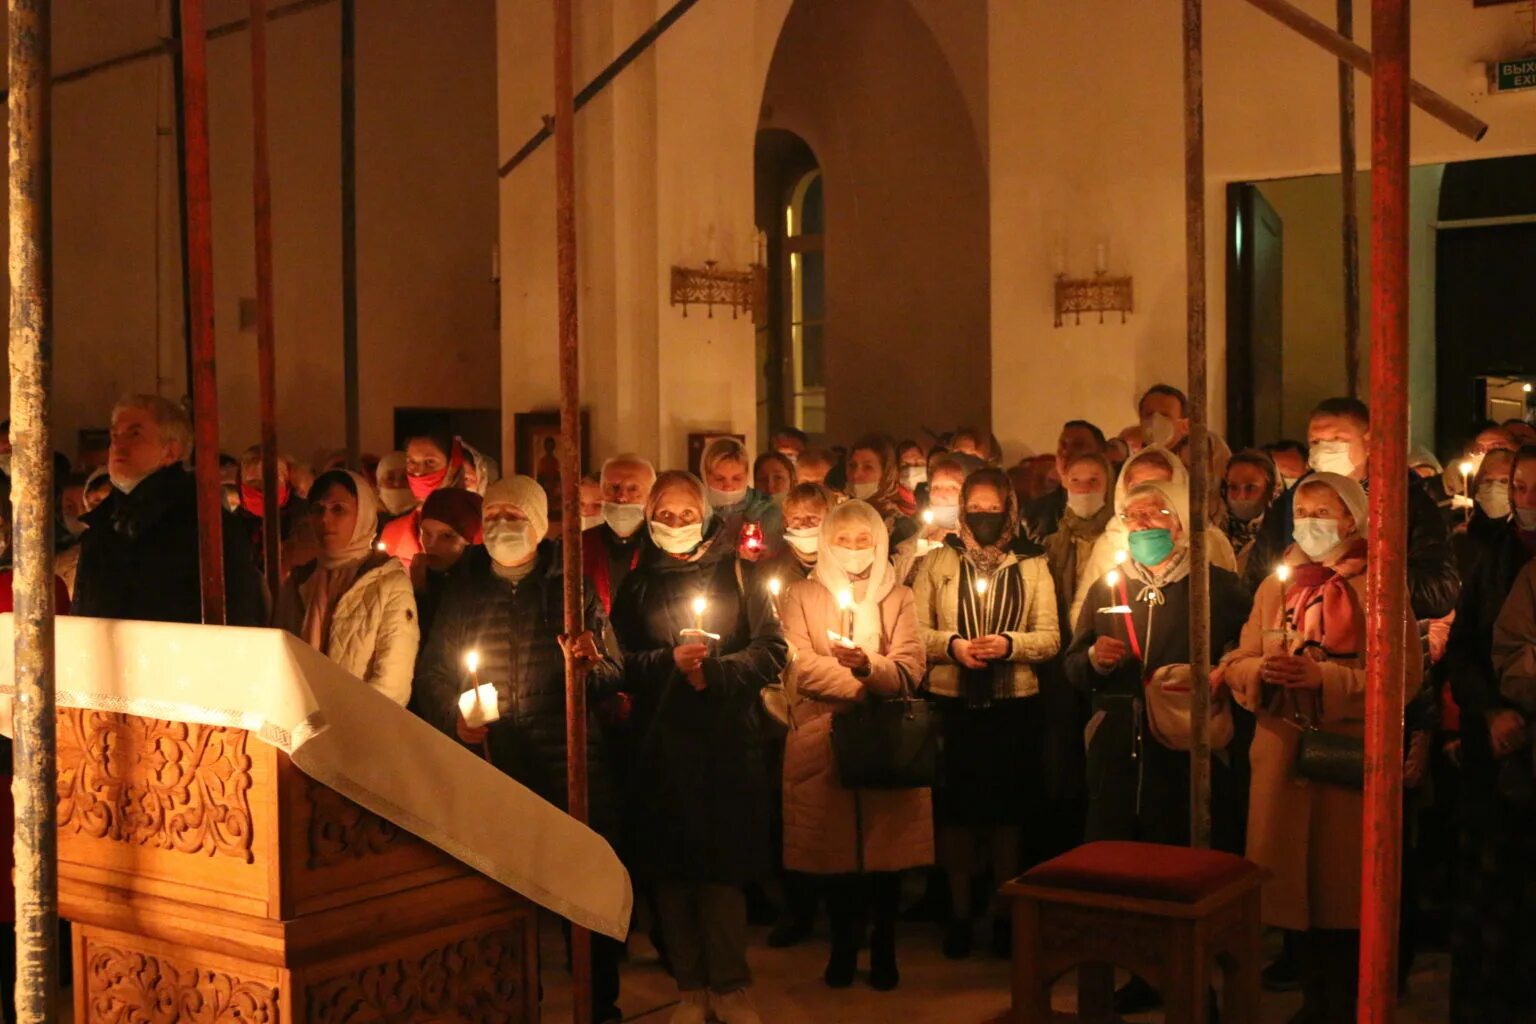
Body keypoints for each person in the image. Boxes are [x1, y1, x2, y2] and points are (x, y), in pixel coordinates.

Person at [412, 475, 625, 1022]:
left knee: (582, 889)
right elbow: (435, 673)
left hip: (566, 759)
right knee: (504, 895)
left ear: (537, 524)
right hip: (495, 761)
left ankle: (598, 1002)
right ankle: (514, 1002)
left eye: (516, 515)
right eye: (496, 514)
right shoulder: (465, 589)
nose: (504, 525)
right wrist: (455, 718)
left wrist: (588, 661)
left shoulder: (568, 586)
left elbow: (612, 673)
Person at [1223, 472, 1418, 1023]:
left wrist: (1323, 679)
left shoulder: (1378, 586)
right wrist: (1265, 669)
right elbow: (1237, 662)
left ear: (1351, 518)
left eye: (1322, 510)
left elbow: (1401, 677)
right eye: (1301, 510)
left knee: (1343, 894)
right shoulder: (1276, 585)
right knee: (1292, 892)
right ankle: (1311, 1000)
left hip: (1345, 760)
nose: (1309, 521)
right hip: (1283, 757)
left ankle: (1348, 1004)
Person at [1063, 476, 1252, 1014]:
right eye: (1134, 516)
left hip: (1185, 748)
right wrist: (1093, 662)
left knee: (1182, 862)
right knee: (1121, 866)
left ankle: (1196, 985)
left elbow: (1246, 655)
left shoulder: (1218, 588)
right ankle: (1139, 973)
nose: (1144, 525)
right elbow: (1073, 665)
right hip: (1120, 748)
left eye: (1155, 514)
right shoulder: (1107, 589)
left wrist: (1216, 674)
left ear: (1180, 522)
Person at [609, 471, 788, 1024]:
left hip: (726, 742)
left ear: (706, 515)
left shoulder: (741, 572)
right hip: (662, 744)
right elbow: (621, 661)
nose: (677, 523)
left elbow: (772, 650)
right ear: (649, 517)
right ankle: (688, 985)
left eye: (687, 513)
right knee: (672, 870)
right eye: (666, 514)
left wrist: (718, 671)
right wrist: (668, 663)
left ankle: (730, 984)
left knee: (721, 869)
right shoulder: (638, 583)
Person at [778, 499, 930, 991]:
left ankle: (884, 947)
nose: (852, 549)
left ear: (879, 542)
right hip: (824, 735)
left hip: (885, 738)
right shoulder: (801, 594)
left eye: (862, 540)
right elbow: (797, 664)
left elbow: (909, 665)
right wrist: (862, 682)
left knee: (886, 853)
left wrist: (869, 666)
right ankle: (842, 947)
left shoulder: (899, 596)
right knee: (835, 855)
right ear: (826, 542)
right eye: (842, 540)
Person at [912, 467, 1060, 960]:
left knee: (1005, 816)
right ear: (962, 510)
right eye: (976, 507)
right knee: (957, 815)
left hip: (1012, 703)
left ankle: (1002, 915)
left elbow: (1050, 638)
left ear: (1009, 509)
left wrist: (1010, 644)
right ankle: (958, 914)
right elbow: (915, 632)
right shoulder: (937, 562)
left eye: (994, 508)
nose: (985, 516)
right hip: (954, 702)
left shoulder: (1032, 563)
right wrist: (953, 646)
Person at [1445, 444, 1536, 1022]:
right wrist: (1490, 713)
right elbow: (1466, 651)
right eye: (1522, 488)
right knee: (1490, 891)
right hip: (1493, 742)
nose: (1527, 501)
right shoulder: (1490, 555)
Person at [1241, 397, 1459, 620]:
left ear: (1368, 443)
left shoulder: (1406, 504)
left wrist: (1363, 575)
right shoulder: (1287, 506)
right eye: (1316, 442)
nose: (1324, 451)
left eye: (1337, 440)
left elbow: (1439, 592)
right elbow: (1257, 584)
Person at [74, 395, 264, 625]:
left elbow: (238, 619)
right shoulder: (104, 524)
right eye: (115, 435)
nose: (118, 445)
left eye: (135, 434)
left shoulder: (205, 526)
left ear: (171, 451)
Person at [275, 470, 418, 705]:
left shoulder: (388, 582)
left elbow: (393, 683)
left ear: (362, 514)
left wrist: (344, 721)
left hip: (360, 729)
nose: (325, 520)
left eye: (338, 510)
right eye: (318, 510)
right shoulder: (301, 580)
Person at [1069, 445, 1238, 627]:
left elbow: (1230, 611)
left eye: (1158, 486)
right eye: (1137, 487)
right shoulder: (1110, 543)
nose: (1144, 495)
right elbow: (1083, 612)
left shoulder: (1208, 541)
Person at [380, 430, 472, 569]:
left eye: (430, 462)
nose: (418, 472)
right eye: (411, 462)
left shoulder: (477, 527)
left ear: (452, 466)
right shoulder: (393, 532)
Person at [584, 453, 658, 615]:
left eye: (633, 489)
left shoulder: (663, 546)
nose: (622, 497)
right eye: (614, 488)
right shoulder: (582, 546)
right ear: (602, 492)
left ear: (651, 496)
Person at [234, 444, 316, 581]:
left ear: (288, 483)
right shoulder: (230, 526)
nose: (262, 489)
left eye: (272, 481)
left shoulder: (306, 522)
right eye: (254, 482)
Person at [409, 487, 482, 640]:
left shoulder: (484, 584)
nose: (431, 544)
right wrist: (417, 591)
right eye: (426, 533)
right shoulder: (422, 576)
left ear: (473, 539)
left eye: (447, 536)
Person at [1022, 420, 1108, 543]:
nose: (1067, 452)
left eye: (1079, 445)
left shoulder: (1120, 509)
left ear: (1101, 454)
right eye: (1063, 445)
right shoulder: (1033, 516)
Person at [700, 436, 780, 558]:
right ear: (705, 476)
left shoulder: (766, 511)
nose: (728, 486)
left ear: (747, 475)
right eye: (719, 479)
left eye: (737, 478)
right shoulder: (693, 512)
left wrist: (763, 556)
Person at [892, 456, 966, 585]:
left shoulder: (972, 543)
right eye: (936, 488)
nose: (942, 494)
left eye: (952, 488)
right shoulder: (908, 546)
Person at [844, 434, 918, 543]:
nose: (856, 474)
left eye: (868, 467)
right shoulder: (838, 516)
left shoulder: (902, 528)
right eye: (852, 465)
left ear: (886, 474)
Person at [1223, 450, 1279, 573]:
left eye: (1250, 487)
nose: (1241, 496)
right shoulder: (1214, 531)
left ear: (1269, 490)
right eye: (1233, 487)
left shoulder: (1281, 533)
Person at [374, 451, 417, 519]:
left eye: (405, 478)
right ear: (379, 484)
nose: (397, 484)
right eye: (390, 478)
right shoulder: (367, 521)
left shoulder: (426, 521)